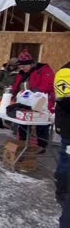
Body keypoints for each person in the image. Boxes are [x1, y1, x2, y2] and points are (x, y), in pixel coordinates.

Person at [11, 49, 55, 151]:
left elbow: (48, 86)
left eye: (24, 66)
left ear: (30, 64)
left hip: (42, 101)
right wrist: (12, 95)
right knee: (23, 121)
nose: (22, 68)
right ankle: (23, 142)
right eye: (20, 67)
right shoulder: (22, 73)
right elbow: (16, 86)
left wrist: (34, 92)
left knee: (41, 122)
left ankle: (41, 146)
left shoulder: (44, 70)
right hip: (27, 101)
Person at [54, 62, 70, 228]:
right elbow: (65, 100)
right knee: (66, 163)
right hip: (68, 129)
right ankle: (62, 192)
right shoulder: (65, 72)